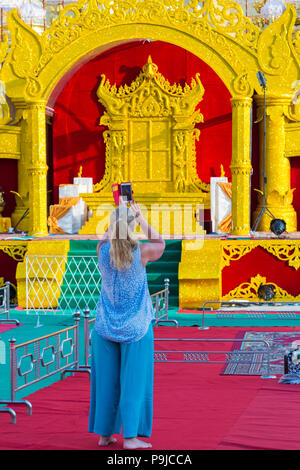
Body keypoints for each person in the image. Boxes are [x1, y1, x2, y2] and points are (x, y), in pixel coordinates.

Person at [88, 200, 165, 449]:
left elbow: (106, 240)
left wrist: (115, 225)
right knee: (134, 382)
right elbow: (161, 243)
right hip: (136, 327)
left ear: (111, 226)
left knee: (106, 382)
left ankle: (104, 435)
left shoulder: (102, 251)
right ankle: (130, 437)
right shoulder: (141, 252)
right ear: (132, 227)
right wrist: (141, 217)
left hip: (105, 326)